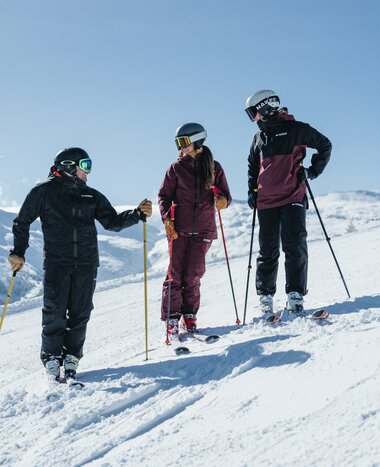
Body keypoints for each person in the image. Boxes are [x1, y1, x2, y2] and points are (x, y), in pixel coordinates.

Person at [8, 147, 152, 380]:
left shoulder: (91, 196)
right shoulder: (43, 192)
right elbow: (22, 221)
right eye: (85, 165)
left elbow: (112, 222)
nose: (88, 172)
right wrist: (18, 252)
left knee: (80, 312)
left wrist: (136, 214)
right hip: (57, 262)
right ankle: (52, 358)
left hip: (86, 263)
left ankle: (72, 356)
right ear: (67, 166)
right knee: (55, 312)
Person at [244, 90, 332, 317]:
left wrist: (311, 171)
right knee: (268, 250)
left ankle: (295, 294)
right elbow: (253, 166)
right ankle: (265, 296)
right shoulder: (258, 138)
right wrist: (253, 191)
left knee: (294, 246)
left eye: (252, 112)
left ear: (264, 107)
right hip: (266, 201)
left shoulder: (297, 129)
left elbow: (325, 145)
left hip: (293, 196)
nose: (252, 118)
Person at [158, 123, 232, 336]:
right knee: (175, 275)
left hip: (203, 230)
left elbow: (226, 195)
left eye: (184, 142)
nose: (180, 147)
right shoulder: (175, 168)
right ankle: (172, 317)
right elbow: (164, 196)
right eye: (178, 143)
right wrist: (166, 218)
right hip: (178, 230)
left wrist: (222, 201)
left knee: (193, 275)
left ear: (197, 140)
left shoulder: (214, 167)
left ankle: (189, 314)